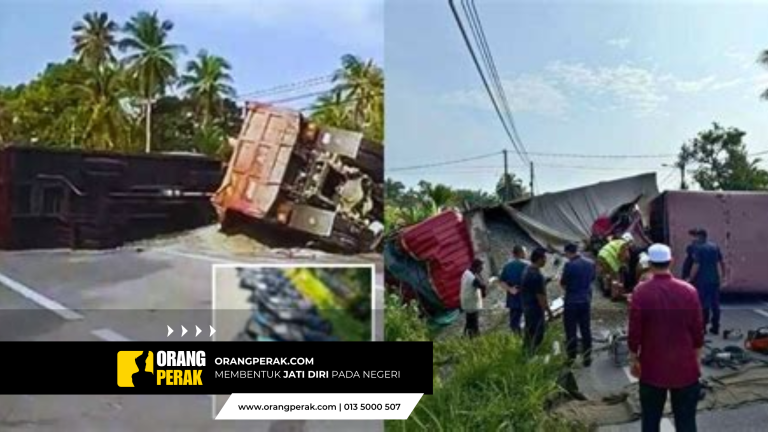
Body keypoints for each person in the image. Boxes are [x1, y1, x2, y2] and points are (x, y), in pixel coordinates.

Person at [628, 244, 704, 432]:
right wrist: (697, 360)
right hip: (685, 367)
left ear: (650, 265)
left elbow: (634, 333)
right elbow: (698, 331)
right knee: (686, 422)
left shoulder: (640, 292)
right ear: (671, 261)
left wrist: (634, 359)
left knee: (650, 421)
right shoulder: (689, 291)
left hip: (652, 367)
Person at [560, 243, 596, 366]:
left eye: (566, 254)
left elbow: (563, 283)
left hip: (571, 302)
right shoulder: (590, 263)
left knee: (571, 330)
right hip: (585, 300)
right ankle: (587, 358)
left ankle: (571, 358)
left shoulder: (569, 265)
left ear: (569, 252)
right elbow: (592, 279)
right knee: (586, 329)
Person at [687, 229, 725, 335]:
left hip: (702, 280)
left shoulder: (698, 248)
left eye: (697, 236)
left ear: (700, 237)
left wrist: (690, 278)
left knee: (703, 304)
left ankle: (703, 327)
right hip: (714, 279)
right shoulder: (715, 247)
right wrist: (724, 275)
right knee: (715, 304)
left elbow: (696, 265)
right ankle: (716, 326)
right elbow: (721, 262)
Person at [520, 248, 554, 354]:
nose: (545, 261)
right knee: (537, 334)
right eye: (544, 258)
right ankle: (531, 356)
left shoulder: (527, 270)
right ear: (539, 259)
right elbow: (541, 297)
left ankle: (525, 354)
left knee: (529, 333)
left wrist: (545, 281)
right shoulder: (537, 275)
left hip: (527, 306)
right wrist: (549, 312)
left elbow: (531, 287)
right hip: (535, 309)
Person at [499, 245, 529, 334]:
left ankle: (516, 341)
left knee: (514, 323)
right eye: (525, 252)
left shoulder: (507, 266)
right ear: (521, 253)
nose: (526, 254)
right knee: (529, 321)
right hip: (527, 298)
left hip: (513, 297)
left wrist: (510, 289)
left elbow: (501, 281)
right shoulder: (528, 265)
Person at [597, 233, 633, 301]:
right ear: (629, 241)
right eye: (631, 242)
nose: (631, 245)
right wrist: (623, 263)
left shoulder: (616, 241)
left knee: (606, 274)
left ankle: (606, 291)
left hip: (601, 255)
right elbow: (623, 256)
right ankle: (615, 296)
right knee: (615, 278)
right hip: (609, 258)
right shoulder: (624, 244)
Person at [460, 259, 488, 338]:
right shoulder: (472, 278)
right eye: (481, 267)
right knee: (474, 323)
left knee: (469, 320)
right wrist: (483, 293)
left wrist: (478, 274)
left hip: (466, 301)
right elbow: (482, 286)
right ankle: (475, 338)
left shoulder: (466, 273)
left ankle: (465, 335)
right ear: (477, 267)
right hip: (471, 303)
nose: (482, 269)